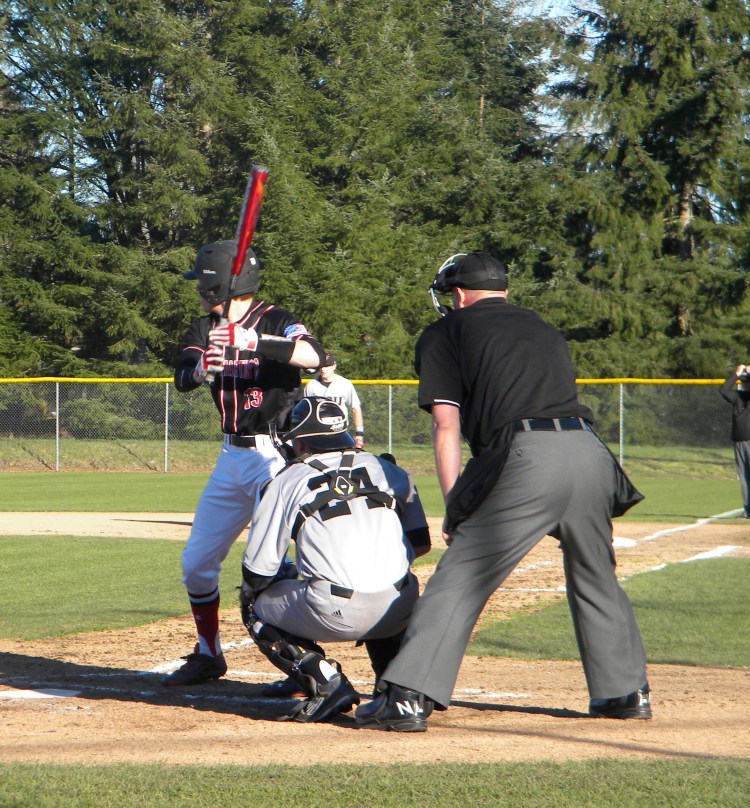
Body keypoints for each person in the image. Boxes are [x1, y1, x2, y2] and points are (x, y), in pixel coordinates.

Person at [355, 251, 651, 732]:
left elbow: (446, 426)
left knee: (462, 575)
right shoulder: (543, 328)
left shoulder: (446, 331)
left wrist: (455, 503)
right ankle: (624, 693)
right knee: (596, 574)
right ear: (504, 289)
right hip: (589, 453)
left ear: (459, 293)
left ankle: (407, 696)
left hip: (529, 458)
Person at [163, 240, 326, 686]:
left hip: (273, 454)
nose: (198, 291)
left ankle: (307, 667)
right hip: (230, 457)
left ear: (219, 286)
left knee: (276, 564)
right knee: (196, 564)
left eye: (202, 283)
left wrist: (253, 341)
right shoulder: (206, 326)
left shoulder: (276, 319)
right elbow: (181, 375)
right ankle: (209, 654)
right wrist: (201, 369)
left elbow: (317, 357)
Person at [239, 396, 431, 722]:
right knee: (389, 581)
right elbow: (420, 544)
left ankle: (325, 681)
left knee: (251, 603)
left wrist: (292, 572)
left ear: (297, 441)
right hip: (400, 606)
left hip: (335, 610)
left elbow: (257, 572)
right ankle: (401, 693)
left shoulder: (286, 481)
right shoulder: (387, 468)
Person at [305, 353, 365, 449]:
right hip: (318, 432)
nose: (323, 369)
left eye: (327, 366)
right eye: (321, 366)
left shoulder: (345, 384)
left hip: (340, 431)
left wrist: (359, 433)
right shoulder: (311, 385)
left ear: (334, 366)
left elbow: (355, 408)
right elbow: (306, 411)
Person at [719, 364, 750, 518]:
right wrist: (736, 374)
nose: (745, 384)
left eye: (747, 382)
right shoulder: (738, 397)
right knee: (744, 477)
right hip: (739, 441)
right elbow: (723, 390)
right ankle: (747, 510)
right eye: (744, 382)